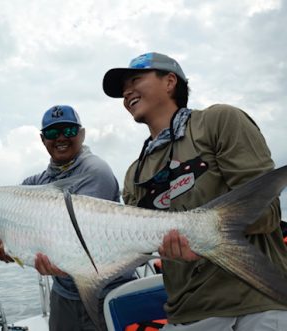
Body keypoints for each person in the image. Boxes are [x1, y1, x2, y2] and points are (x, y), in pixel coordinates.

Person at [102, 52, 287, 330]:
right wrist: (68, 260)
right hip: (186, 314)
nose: (127, 92)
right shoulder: (134, 175)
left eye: (136, 79)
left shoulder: (219, 121)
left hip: (255, 303)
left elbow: (267, 213)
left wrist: (198, 237)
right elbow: (135, 249)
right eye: (123, 90)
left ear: (170, 82)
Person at [0, 105, 130, 331]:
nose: (61, 138)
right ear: (43, 139)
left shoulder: (95, 170)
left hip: (107, 290)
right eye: (53, 133)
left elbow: (78, 238)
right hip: (64, 293)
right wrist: (6, 249)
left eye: (69, 131)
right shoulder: (39, 181)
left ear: (82, 134)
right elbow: (9, 212)